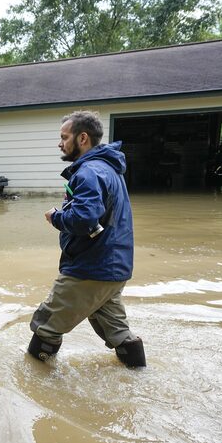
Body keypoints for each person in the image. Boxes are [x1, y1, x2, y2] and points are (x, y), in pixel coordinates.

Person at [28, 110, 146, 367]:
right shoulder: (109, 169)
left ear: (82, 138)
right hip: (115, 269)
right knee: (118, 333)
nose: (60, 143)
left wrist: (56, 217)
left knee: (45, 326)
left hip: (89, 270)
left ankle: (30, 382)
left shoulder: (89, 172)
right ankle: (140, 378)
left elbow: (84, 218)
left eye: (64, 137)